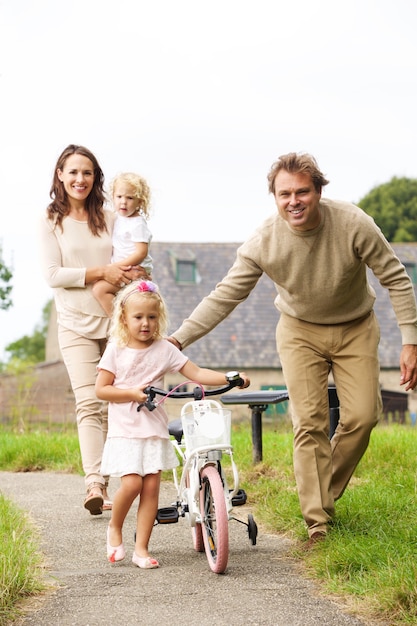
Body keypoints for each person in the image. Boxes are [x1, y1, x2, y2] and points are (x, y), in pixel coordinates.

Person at [168, 152, 417, 546]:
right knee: (309, 423)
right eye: (284, 194)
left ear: (319, 191)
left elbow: (397, 278)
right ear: (275, 197)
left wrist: (410, 340)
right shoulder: (265, 241)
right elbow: (225, 296)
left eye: (303, 191)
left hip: (355, 327)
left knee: (364, 417)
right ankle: (317, 522)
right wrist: (178, 338)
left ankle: (322, 492)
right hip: (300, 331)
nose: (294, 201)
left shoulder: (353, 223)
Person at [94, 279, 250, 568]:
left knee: (151, 489)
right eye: (138, 317)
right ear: (124, 319)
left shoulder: (164, 349)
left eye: (152, 317)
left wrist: (231, 378)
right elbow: (101, 389)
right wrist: (130, 392)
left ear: (159, 318)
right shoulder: (116, 349)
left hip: (153, 429)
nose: (145, 324)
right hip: (126, 430)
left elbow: (197, 372)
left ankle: (141, 549)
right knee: (131, 483)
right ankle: (115, 527)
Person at [39, 144, 147, 516]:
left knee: (120, 401)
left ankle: (128, 475)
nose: (79, 179)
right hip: (75, 325)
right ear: (60, 176)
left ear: (95, 177)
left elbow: (133, 252)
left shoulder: (110, 215)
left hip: (117, 321)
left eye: (86, 172)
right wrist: (100, 273)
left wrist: (135, 274)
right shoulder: (50, 220)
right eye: (72, 172)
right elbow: (53, 275)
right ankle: (95, 483)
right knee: (89, 402)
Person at [92, 172, 153, 317]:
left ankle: (120, 325)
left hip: (133, 270)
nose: (123, 202)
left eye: (130, 198)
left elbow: (141, 252)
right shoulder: (119, 218)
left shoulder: (137, 223)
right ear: (113, 197)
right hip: (125, 268)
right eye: (119, 197)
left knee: (100, 289)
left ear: (140, 201)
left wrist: (115, 267)